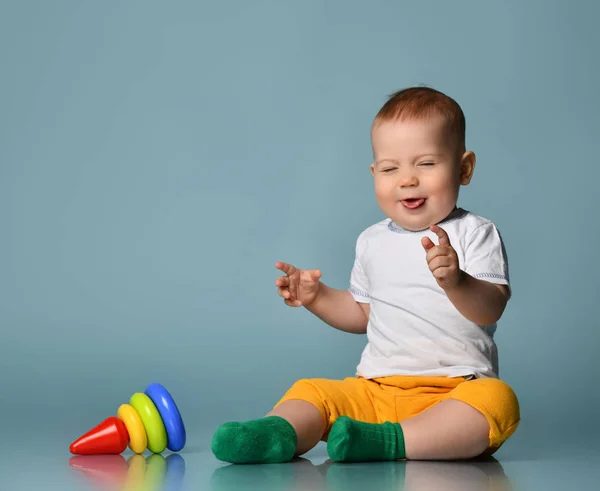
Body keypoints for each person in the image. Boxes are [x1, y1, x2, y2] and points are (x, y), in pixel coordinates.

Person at [211, 86, 520, 464]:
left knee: (498, 402)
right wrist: (317, 297)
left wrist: (458, 281)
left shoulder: (475, 232)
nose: (407, 180)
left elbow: (490, 308)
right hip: (375, 391)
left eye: (426, 164)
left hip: (454, 393)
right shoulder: (371, 241)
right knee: (312, 391)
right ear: (375, 173)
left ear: (464, 168)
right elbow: (363, 315)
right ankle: (275, 434)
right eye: (390, 169)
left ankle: (388, 442)